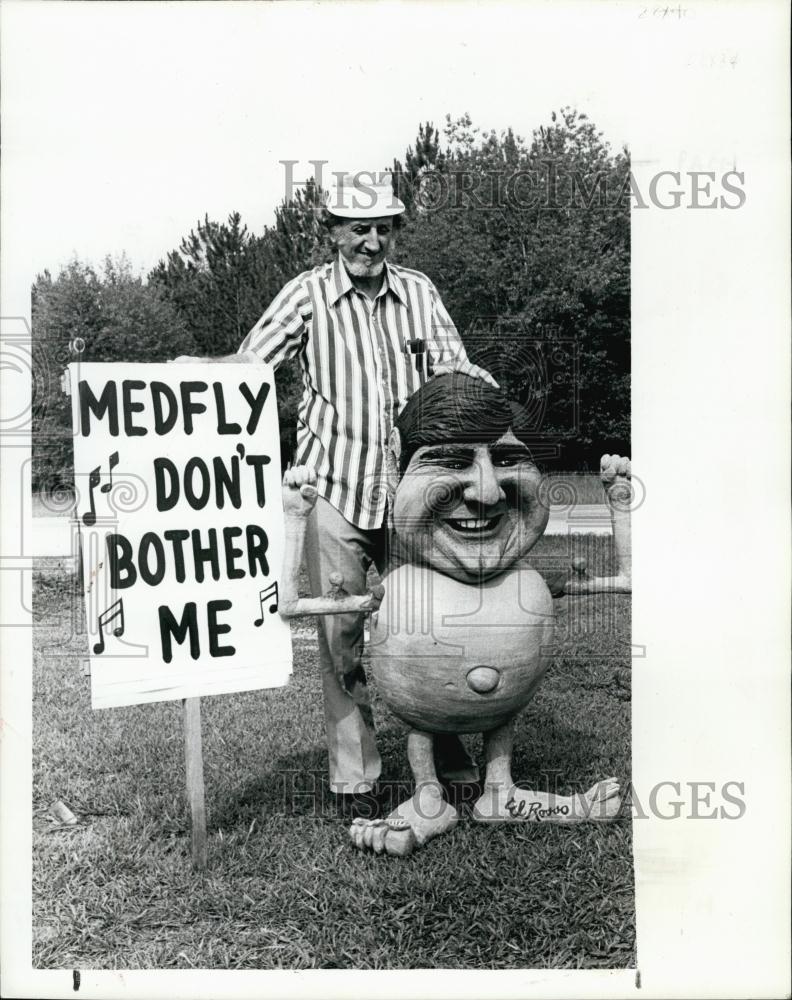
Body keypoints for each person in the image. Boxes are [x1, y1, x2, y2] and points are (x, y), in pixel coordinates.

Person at [177, 173, 494, 814]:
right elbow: (252, 363)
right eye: (358, 229)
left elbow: (453, 365)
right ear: (332, 232)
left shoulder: (419, 292)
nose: (372, 242)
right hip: (333, 490)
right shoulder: (307, 295)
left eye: (383, 229)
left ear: (395, 233)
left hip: (414, 493)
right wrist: (198, 371)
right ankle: (356, 775)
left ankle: (453, 762)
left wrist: (487, 387)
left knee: (428, 626)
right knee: (340, 633)